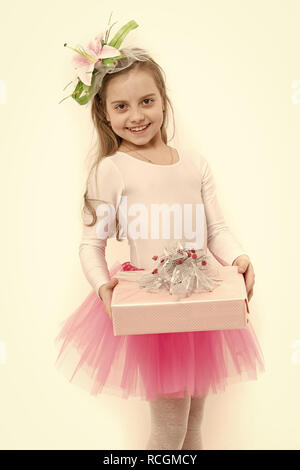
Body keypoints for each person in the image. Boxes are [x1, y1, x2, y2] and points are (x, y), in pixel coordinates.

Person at [54, 21, 265, 450]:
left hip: (201, 297)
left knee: (194, 424)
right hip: (153, 306)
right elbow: (90, 244)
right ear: (104, 113)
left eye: (146, 101)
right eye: (122, 107)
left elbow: (216, 230)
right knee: (168, 428)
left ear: (163, 103)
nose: (136, 116)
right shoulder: (112, 169)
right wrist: (103, 289)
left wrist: (238, 257)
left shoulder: (194, 163)